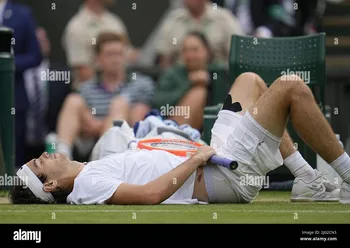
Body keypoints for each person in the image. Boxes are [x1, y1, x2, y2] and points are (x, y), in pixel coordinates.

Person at [9, 72, 350, 205]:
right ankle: (348, 175)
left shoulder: (90, 170)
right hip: (221, 174)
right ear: (51, 185)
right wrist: (195, 159)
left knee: (250, 82)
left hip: (211, 158)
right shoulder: (86, 186)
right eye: (41, 162)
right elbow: (148, 195)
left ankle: (308, 182)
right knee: (290, 86)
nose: (46, 155)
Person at [55, 32, 154, 160]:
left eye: (119, 54)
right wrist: (101, 124)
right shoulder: (86, 88)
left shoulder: (143, 84)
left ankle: (103, 160)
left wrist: (101, 124)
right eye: (109, 54)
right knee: (73, 100)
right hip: (88, 143)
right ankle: (62, 157)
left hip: (126, 146)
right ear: (97, 59)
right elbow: (84, 125)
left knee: (120, 104)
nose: (115, 59)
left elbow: (141, 119)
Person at [154, 31, 227, 130]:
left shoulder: (219, 72)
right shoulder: (173, 74)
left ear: (207, 51)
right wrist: (189, 84)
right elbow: (160, 104)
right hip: (172, 126)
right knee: (198, 91)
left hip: (214, 129)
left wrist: (210, 81)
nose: (190, 56)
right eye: (186, 51)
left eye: (195, 50)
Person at [0, 0, 43, 167]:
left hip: (13, 96)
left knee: (13, 157)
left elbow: (35, 55)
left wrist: (6, 65)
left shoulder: (22, 14)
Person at [62, 0, 138, 88]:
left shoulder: (114, 21)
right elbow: (83, 72)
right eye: (110, 55)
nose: (115, 59)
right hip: (91, 94)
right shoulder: (76, 27)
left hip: (123, 89)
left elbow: (129, 54)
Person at [23, 27, 72, 162]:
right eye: (35, 40)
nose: (40, 44)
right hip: (19, 144)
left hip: (52, 143)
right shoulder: (14, 74)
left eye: (44, 40)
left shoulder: (62, 74)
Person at [155, 0, 244, 68]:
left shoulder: (223, 18)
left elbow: (239, 54)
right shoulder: (174, 19)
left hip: (217, 77)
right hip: (182, 77)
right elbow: (164, 55)